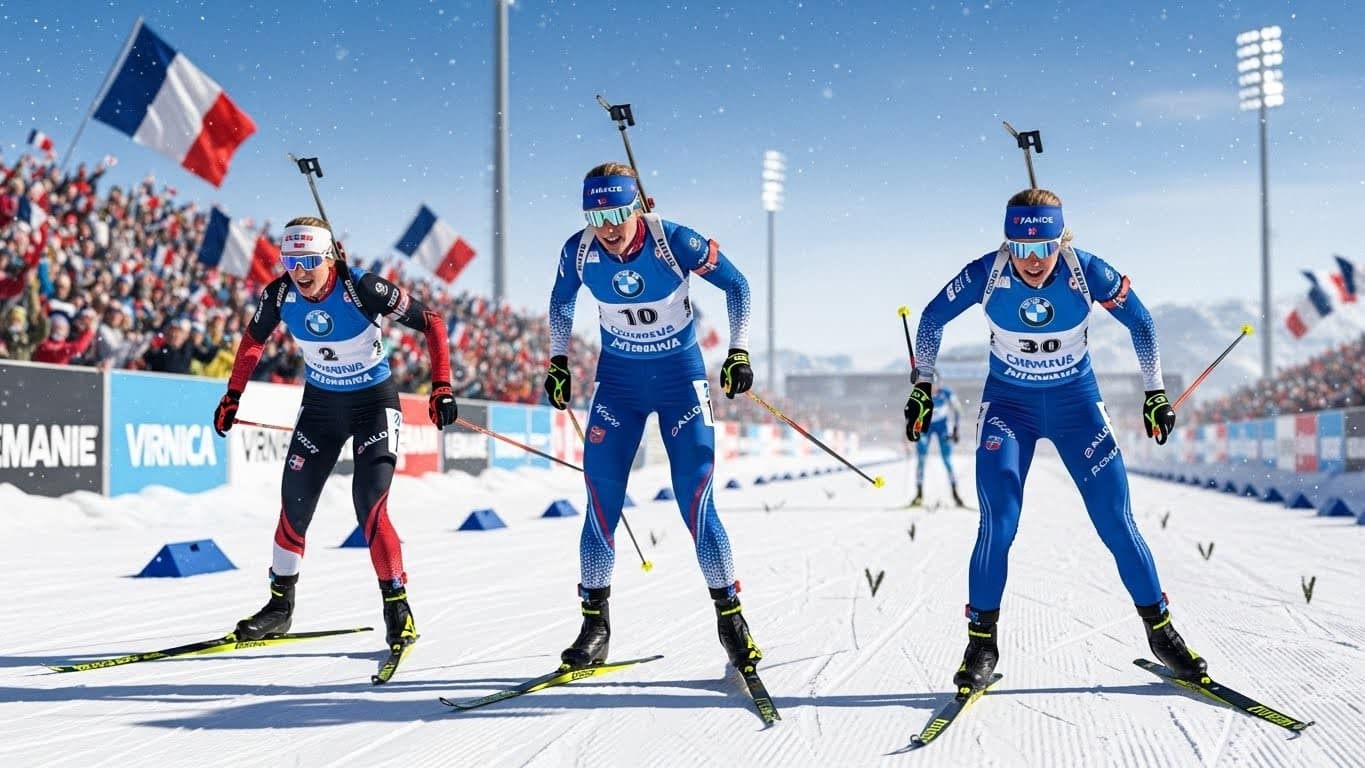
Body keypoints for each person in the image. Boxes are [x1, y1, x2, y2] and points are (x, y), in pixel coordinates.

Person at [904, 187, 1206, 690]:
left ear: (1060, 242)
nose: (1032, 262)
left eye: (1043, 249)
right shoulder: (987, 271)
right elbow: (931, 317)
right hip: (1010, 409)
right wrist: (922, 384)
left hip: (1076, 408)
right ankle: (981, 644)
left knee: (1115, 518)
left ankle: (1161, 632)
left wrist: (1155, 391)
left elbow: (1143, 322)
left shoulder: (1088, 271)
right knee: (998, 522)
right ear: (1008, 245)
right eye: (1020, 250)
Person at [544, 162, 762, 675]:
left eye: (619, 211)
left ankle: (731, 621)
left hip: (680, 380)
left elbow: (739, 286)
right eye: (596, 215)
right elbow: (559, 303)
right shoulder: (578, 250)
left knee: (696, 496)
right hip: (618, 384)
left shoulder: (674, 242)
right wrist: (556, 360)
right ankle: (594, 627)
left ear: (639, 206)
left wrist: (738, 352)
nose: (609, 226)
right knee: (599, 498)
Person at [211, 216, 458, 656]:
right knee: (295, 503)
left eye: (309, 260)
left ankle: (397, 609)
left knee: (369, 504)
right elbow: (252, 341)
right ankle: (279, 607)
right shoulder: (280, 293)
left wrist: (441, 386)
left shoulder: (364, 288)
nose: (300, 271)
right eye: (291, 260)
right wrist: (233, 396)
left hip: (373, 406)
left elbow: (434, 323)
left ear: (329, 257)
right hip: (322, 408)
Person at [909, 371, 964, 507]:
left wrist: (956, 429)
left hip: (942, 427)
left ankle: (955, 494)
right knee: (921, 459)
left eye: (934, 385)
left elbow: (957, 409)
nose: (932, 388)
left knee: (946, 460)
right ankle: (919, 494)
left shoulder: (946, 393)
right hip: (925, 427)